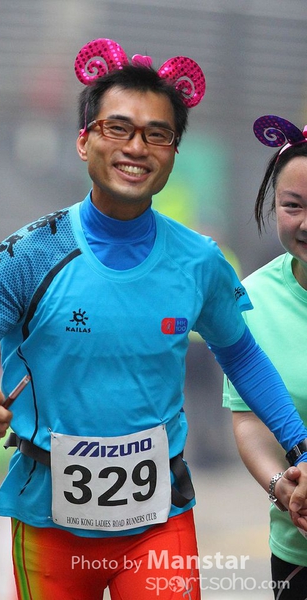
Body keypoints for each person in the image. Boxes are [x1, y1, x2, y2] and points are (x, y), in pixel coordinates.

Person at [0, 38, 307, 600]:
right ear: (84, 140)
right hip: (47, 523)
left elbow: (243, 358)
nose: (136, 147)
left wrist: (300, 448)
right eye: (118, 128)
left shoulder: (200, 262)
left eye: (157, 134)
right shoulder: (27, 255)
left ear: (174, 151)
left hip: (159, 522)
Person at [223, 114, 307, 599]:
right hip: (298, 549)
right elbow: (249, 418)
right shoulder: (252, 299)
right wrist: (282, 486)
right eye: (293, 205)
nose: (306, 223)